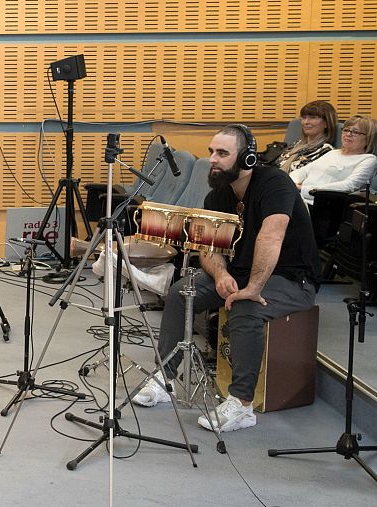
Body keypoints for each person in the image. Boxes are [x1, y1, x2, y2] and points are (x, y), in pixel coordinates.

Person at [132, 125, 320, 432]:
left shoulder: (275, 183)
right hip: (240, 273)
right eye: (211, 152)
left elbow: (272, 236)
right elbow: (208, 249)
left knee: (247, 307)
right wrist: (220, 275)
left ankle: (242, 404)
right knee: (181, 293)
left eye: (222, 153)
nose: (213, 160)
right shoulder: (217, 195)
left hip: (291, 278)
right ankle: (165, 378)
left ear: (246, 159)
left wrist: (253, 288)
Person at [290, 114, 377, 206]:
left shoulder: (368, 159)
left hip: (321, 205)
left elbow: (349, 186)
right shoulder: (333, 153)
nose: (348, 134)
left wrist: (303, 188)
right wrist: (291, 183)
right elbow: (303, 171)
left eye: (355, 132)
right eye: (346, 130)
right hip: (299, 198)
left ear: (368, 138)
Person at [278, 100, 338, 173]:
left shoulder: (326, 152)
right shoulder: (297, 144)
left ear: (326, 123)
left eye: (312, 118)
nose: (306, 122)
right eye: (304, 117)